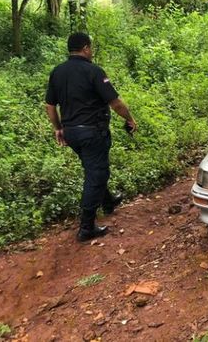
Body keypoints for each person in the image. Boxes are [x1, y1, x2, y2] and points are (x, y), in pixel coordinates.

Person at [45, 32, 138, 242]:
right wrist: (130, 119)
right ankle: (86, 226)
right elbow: (116, 103)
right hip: (92, 132)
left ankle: (108, 202)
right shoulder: (93, 71)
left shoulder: (57, 72)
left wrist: (58, 128)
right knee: (97, 173)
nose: (92, 51)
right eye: (91, 48)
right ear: (86, 48)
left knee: (92, 166)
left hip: (71, 133)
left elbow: (50, 105)